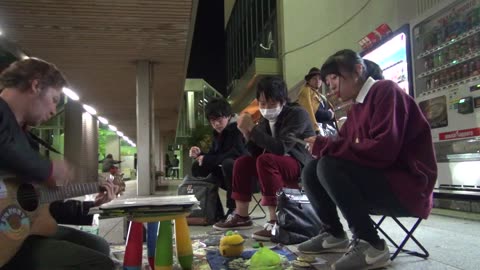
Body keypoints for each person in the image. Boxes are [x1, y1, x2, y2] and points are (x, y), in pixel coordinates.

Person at [298, 49, 437, 270]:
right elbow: (344, 146)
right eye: (327, 81)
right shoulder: (357, 108)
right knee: (312, 168)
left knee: (328, 165)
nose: (331, 86)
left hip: (408, 187)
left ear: (357, 70)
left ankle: (371, 245)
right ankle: (333, 233)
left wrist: (327, 145)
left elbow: (384, 150)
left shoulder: (385, 91)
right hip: (383, 180)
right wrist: (320, 145)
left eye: (334, 78)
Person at [0, 58, 116, 270]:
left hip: (21, 230)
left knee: (98, 246)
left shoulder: (27, 142)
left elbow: (38, 204)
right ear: (36, 86)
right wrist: (49, 169)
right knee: (99, 264)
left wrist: (92, 207)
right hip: (6, 240)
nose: (54, 110)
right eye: (54, 99)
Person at [213, 76, 315, 241]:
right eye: (262, 103)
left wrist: (252, 129)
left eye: (272, 103)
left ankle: (276, 221)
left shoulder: (297, 114)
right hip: (275, 163)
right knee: (242, 163)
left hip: (299, 163)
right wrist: (246, 132)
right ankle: (242, 216)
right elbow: (254, 152)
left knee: (266, 160)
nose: (266, 108)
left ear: (283, 101)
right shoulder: (264, 120)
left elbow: (281, 148)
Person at [189, 97, 248, 217]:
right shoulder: (218, 133)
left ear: (228, 116)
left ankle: (234, 209)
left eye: (219, 119)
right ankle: (213, 209)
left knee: (229, 163)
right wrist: (200, 155)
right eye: (212, 120)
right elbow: (215, 155)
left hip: (246, 178)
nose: (216, 124)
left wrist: (207, 159)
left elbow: (236, 154)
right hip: (229, 176)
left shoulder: (238, 129)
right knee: (198, 166)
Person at [297, 67, 336, 135]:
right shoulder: (306, 92)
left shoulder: (319, 95)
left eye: (320, 79)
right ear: (309, 81)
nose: (318, 81)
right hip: (315, 132)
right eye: (314, 78)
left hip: (325, 130)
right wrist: (329, 114)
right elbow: (313, 112)